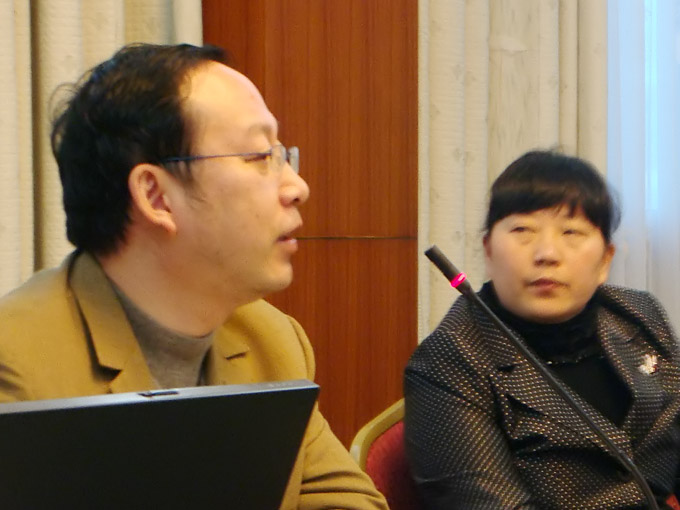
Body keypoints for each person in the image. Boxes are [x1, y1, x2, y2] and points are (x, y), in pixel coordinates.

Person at [0, 43, 388, 510]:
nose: (297, 187)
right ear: (156, 197)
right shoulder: (17, 363)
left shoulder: (272, 340)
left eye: (283, 155)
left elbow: (348, 501)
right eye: (259, 156)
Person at [404, 150, 680, 509]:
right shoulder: (450, 361)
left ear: (605, 260)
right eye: (523, 230)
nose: (547, 253)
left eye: (571, 232)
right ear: (488, 252)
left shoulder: (637, 315)